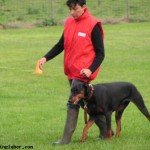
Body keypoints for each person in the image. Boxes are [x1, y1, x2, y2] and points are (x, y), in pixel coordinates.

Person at [39, 0, 107, 145]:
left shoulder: (93, 25)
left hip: (82, 74)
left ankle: (65, 140)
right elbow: (60, 45)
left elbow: (100, 53)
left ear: (84, 7)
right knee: (84, 103)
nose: (71, 12)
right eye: (70, 9)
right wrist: (45, 58)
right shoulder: (69, 23)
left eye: (75, 9)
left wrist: (90, 69)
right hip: (71, 71)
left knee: (73, 102)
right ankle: (106, 130)